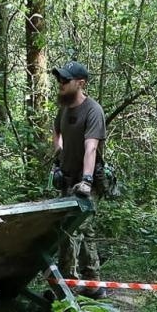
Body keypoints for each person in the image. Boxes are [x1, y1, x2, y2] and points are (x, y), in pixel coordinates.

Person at [49, 61, 107, 299]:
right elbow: (57, 132)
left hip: (87, 182)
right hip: (67, 179)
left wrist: (86, 180)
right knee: (75, 232)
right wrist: (58, 155)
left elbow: (91, 147)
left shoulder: (93, 111)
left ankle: (70, 286)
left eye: (65, 81)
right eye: (59, 80)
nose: (60, 84)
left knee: (74, 231)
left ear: (80, 83)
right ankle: (91, 284)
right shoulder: (63, 108)